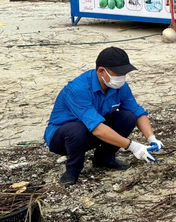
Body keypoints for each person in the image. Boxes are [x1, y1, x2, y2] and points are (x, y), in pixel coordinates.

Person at [44, 47, 163, 185]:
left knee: (127, 117)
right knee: (76, 130)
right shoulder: (78, 88)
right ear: (101, 71)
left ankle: (104, 158)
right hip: (63, 137)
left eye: (124, 73)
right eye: (118, 73)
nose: (122, 77)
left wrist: (151, 138)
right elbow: (96, 128)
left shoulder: (119, 86)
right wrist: (133, 146)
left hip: (91, 132)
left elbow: (137, 112)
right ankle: (72, 170)